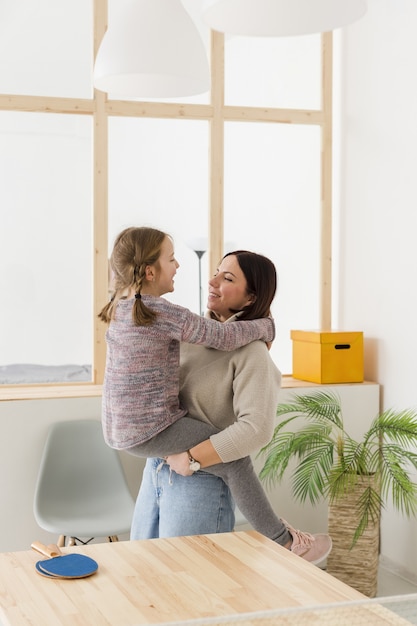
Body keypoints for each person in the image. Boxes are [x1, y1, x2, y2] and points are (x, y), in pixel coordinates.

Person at [99, 227, 331, 563]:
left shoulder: (250, 353)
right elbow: (218, 337)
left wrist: (191, 458)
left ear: (250, 297)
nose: (211, 282)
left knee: (191, 589)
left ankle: (282, 541)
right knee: (145, 574)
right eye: (214, 274)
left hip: (196, 479)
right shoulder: (176, 326)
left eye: (227, 278)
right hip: (159, 466)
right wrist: (267, 326)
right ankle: (283, 539)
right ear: (150, 271)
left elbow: (255, 429)